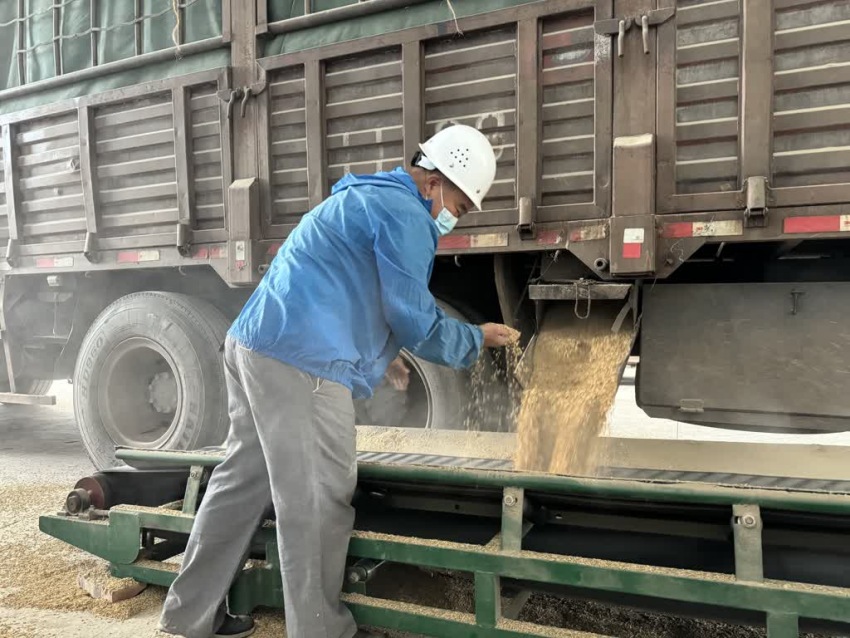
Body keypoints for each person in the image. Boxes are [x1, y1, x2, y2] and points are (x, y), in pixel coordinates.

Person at [157, 124, 520, 638]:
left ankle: (188, 613)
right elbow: (414, 318)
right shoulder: (406, 216)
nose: (452, 220)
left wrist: (381, 356)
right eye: (459, 207)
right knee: (317, 500)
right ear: (436, 181)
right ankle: (321, 630)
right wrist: (475, 338)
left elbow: (346, 286)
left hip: (256, 345)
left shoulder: (368, 196)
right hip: (299, 362)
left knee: (241, 483)